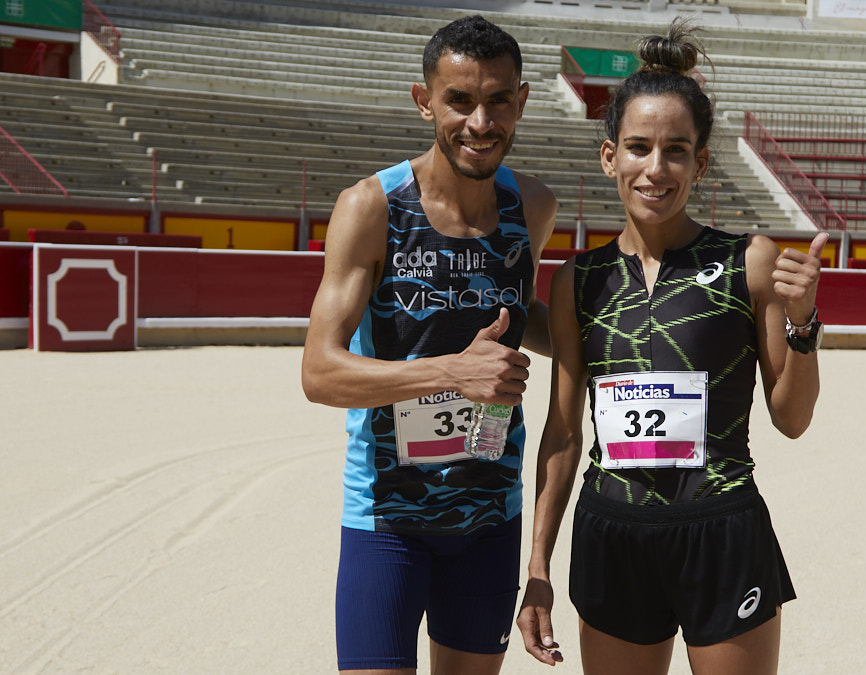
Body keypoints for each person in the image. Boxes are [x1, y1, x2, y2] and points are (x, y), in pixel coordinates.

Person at [515, 21, 828, 675]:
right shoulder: (579, 281)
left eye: (677, 150)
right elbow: (565, 434)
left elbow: (792, 419)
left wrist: (803, 325)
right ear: (610, 157)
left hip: (723, 529)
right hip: (614, 533)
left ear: (701, 161)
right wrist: (538, 563)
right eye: (637, 147)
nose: (656, 168)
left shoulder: (750, 261)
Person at [300, 15, 556, 674]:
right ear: (424, 101)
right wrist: (451, 372)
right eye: (460, 100)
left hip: (490, 517)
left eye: (499, 99)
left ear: (521, 102)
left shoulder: (532, 206)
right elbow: (320, 372)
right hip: (386, 520)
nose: (480, 121)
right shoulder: (372, 207)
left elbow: (518, 312)